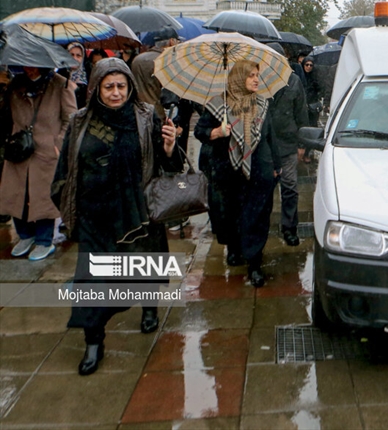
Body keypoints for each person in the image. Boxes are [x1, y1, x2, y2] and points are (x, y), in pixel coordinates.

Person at [50, 58, 180, 375]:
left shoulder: (145, 117)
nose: (116, 92)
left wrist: (168, 148)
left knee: (142, 268)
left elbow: (169, 167)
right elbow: (66, 169)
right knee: (91, 281)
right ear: (96, 88)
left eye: (121, 86)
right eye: (109, 86)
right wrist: (69, 205)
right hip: (95, 216)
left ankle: (149, 307)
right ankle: (93, 342)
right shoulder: (80, 121)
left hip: (137, 212)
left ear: (130, 87)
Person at [195, 60, 280, 287]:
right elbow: (200, 131)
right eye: (250, 75)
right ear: (238, 78)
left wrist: (276, 165)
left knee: (257, 216)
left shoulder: (262, 104)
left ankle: (254, 262)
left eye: (257, 75)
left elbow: (270, 136)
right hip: (228, 171)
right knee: (231, 214)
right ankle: (234, 248)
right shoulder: (218, 105)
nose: (256, 80)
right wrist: (217, 131)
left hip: (259, 169)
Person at [1, 67, 76, 261]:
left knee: (43, 197)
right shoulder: (16, 84)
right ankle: (25, 235)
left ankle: (44, 240)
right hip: (19, 147)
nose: (30, 68)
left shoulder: (60, 84)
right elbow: (5, 114)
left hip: (46, 150)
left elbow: (71, 118)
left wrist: (58, 143)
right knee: (15, 193)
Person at [262, 43, 309, 246]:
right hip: (264, 145)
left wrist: (302, 144)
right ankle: (261, 228)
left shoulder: (294, 81)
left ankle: (289, 228)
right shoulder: (258, 80)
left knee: (289, 187)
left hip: (287, 143)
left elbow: (301, 113)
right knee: (264, 189)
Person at [131, 26, 179, 119]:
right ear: (172, 41)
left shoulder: (137, 59)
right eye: (178, 41)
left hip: (138, 113)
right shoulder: (166, 61)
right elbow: (169, 100)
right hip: (157, 115)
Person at [300, 55, 321, 126]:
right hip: (302, 106)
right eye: (307, 65)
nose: (308, 67)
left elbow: (320, 89)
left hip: (312, 106)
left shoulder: (315, 77)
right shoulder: (299, 77)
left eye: (311, 65)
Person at [66, 43, 88, 110]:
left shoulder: (89, 75)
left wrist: (77, 90)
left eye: (78, 55)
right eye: (71, 55)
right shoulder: (60, 74)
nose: (74, 58)